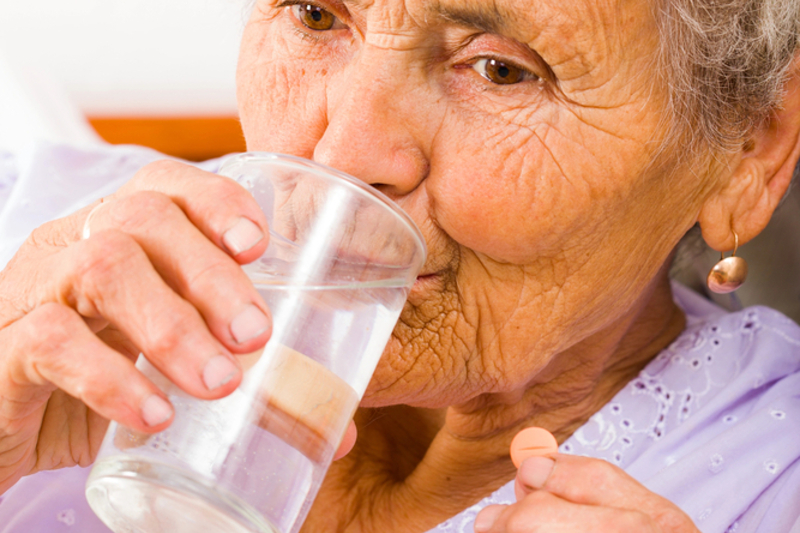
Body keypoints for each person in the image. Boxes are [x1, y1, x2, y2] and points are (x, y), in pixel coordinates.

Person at [1, 0, 800, 532]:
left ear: (748, 151)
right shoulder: (35, 240)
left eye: (501, 69)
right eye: (315, 14)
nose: (343, 152)